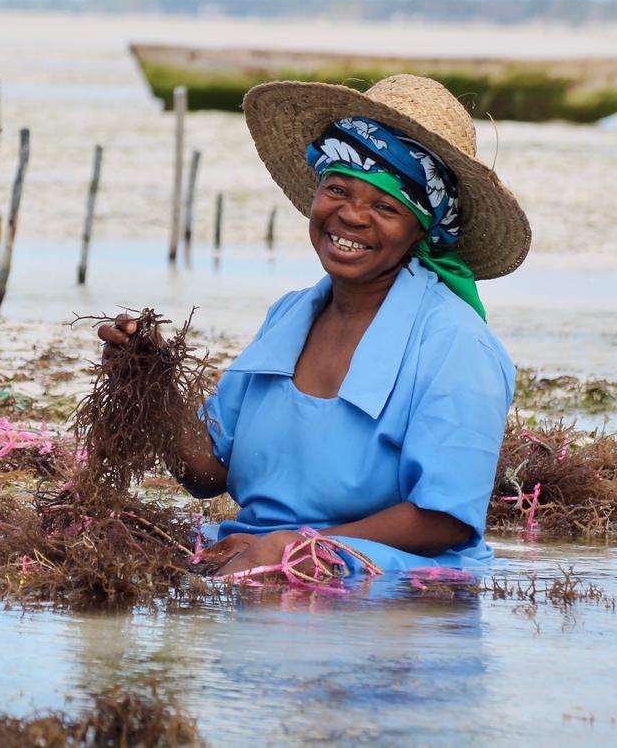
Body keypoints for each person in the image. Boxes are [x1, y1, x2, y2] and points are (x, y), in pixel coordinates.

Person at [99, 74, 530, 577]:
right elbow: (207, 474)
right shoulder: (289, 315)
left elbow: (445, 521)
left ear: (423, 228)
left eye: (386, 206)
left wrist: (294, 549)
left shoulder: (456, 343)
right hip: (262, 569)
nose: (351, 216)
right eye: (337, 189)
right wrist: (147, 378)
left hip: (392, 594)